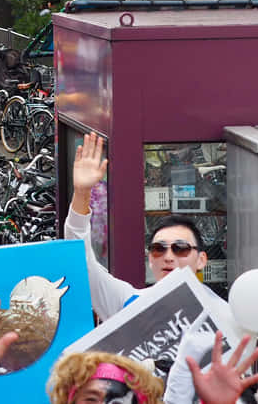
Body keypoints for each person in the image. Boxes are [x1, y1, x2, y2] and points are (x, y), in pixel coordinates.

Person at [64, 133, 224, 322]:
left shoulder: (222, 316)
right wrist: (82, 193)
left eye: (180, 248)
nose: (168, 257)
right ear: (150, 259)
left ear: (201, 260)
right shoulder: (128, 303)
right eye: (158, 249)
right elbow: (80, 260)